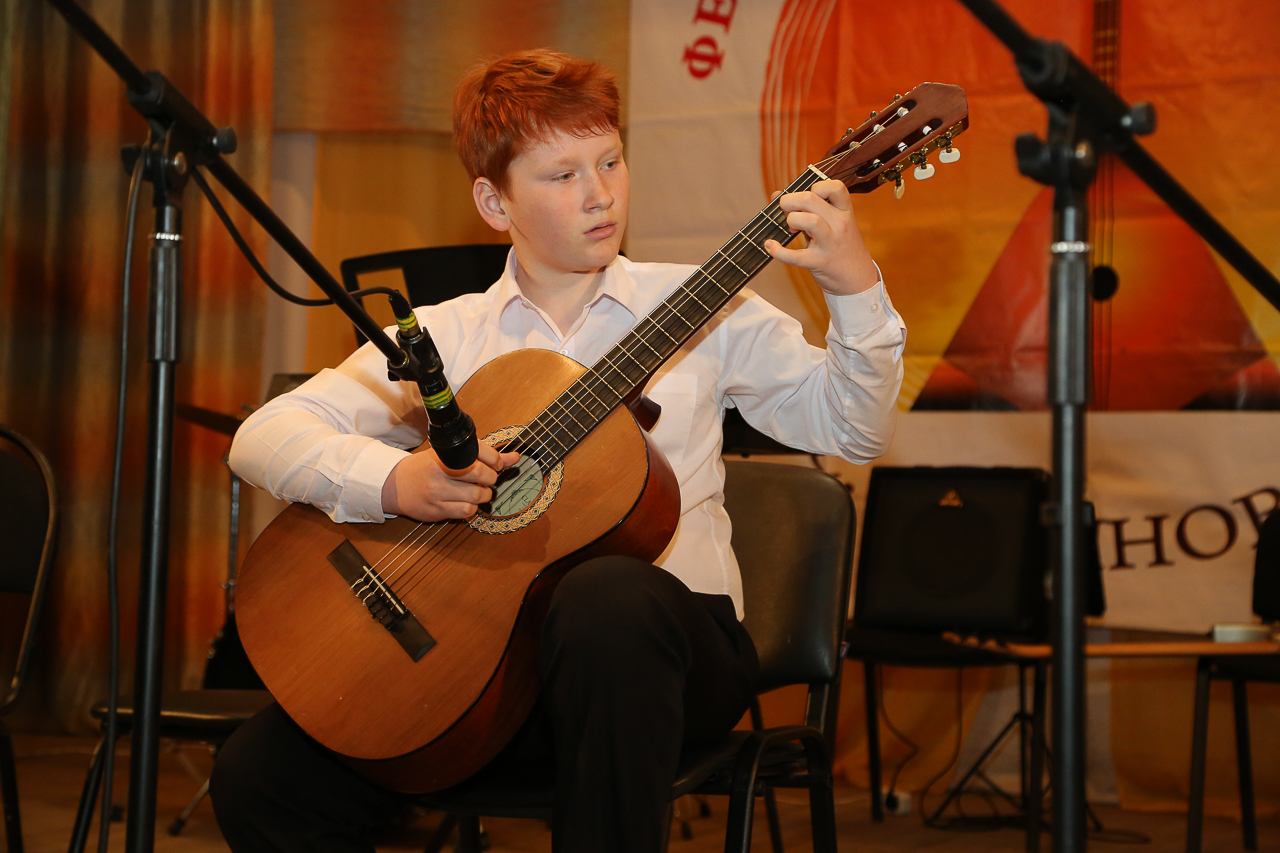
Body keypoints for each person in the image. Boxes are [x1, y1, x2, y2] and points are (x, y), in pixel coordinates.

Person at [211, 49, 906, 853]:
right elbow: (263, 435)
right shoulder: (444, 336)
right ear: (493, 201)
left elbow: (856, 430)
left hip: (666, 661)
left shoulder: (707, 307)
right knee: (258, 775)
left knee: (606, 596)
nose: (600, 193)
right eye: (562, 174)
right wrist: (399, 480)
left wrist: (855, 287)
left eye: (610, 161)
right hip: (487, 671)